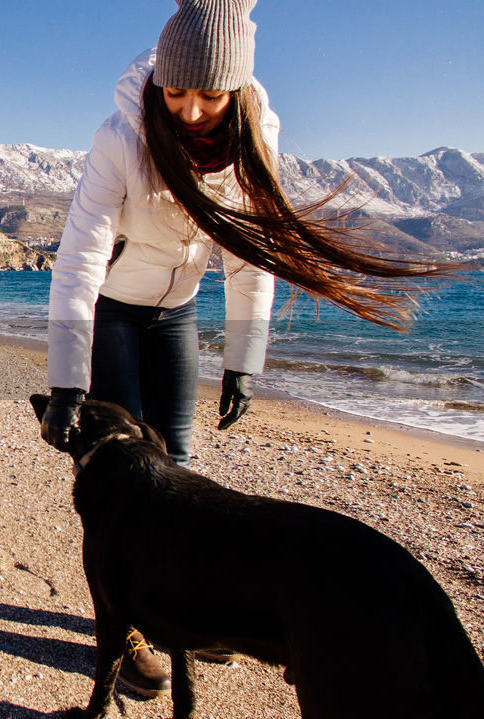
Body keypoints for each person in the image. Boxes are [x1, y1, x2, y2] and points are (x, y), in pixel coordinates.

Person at [39, 0, 450, 698]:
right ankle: (129, 627)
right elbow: (78, 261)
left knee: (178, 463)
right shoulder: (122, 136)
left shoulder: (256, 140)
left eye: (209, 94)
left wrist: (243, 359)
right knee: (124, 477)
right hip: (110, 307)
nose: (191, 110)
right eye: (176, 92)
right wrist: (68, 380)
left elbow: (249, 258)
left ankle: (192, 609)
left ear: (235, 89)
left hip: (176, 312)